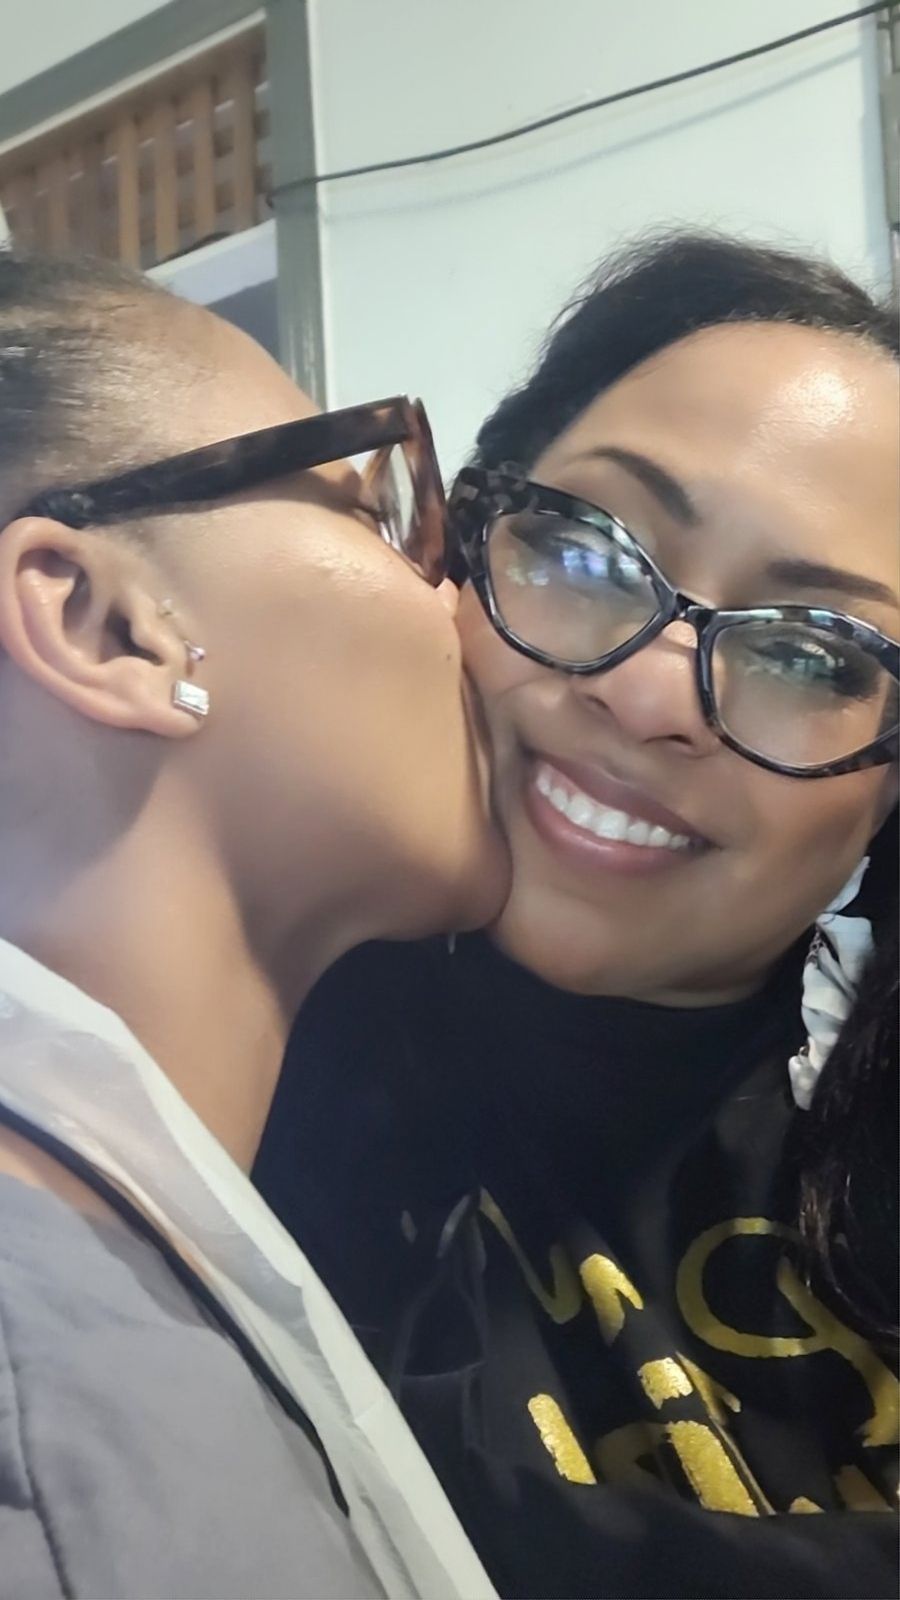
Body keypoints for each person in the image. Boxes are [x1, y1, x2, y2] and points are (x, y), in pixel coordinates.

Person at [256, 233, 899, 1600]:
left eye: (809, 653)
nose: (650, 694)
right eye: (590, 547)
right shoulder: (203, 1088)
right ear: (448, 552)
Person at [0, 251, 509, 1600]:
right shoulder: (57, 1436)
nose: (460, 604)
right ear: (107, 625)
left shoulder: (120, 1279)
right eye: (378, 506)